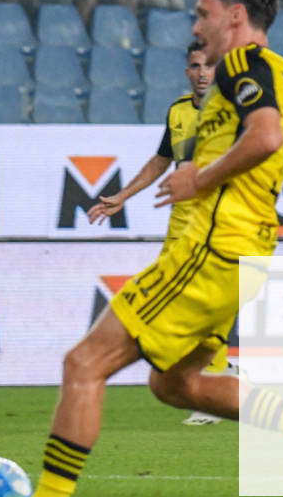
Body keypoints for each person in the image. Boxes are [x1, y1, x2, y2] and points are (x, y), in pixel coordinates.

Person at [0, 0, 283, 497]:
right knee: (175, 385)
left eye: (203, 14)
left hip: (209, 251)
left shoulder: (242, 63)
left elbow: (266, 135)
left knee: (84, 363)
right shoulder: (276, 71)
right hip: (242, 257)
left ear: (233, 16)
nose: (196, 28)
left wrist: (196, 177)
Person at [87, 41, 229, 427]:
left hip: (213, 215)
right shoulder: (179, 111)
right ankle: (208, 374)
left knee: (201, 293)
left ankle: (215, 374)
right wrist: (122, 196)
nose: (202, 73)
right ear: (186, 72)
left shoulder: (232, 111)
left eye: (209, 65)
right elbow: (161, 160)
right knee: (178, 294)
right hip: (180, 217)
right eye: (195, 66)